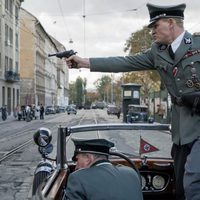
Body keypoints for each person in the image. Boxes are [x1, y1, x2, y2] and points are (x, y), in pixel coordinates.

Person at [66, 3, 200, 200]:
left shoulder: (197, 45)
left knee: (194, 183)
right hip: (181, 131)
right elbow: (124, 62)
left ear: (171, 23)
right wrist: (85, 62)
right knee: (179, 187)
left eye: (156, 26)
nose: (152, 31)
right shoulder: (157, 52)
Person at [64, 138, 143, 200]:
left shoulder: (78, 178)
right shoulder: (132, 173)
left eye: (77, 160)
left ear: (88, 158)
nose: (76, 166)